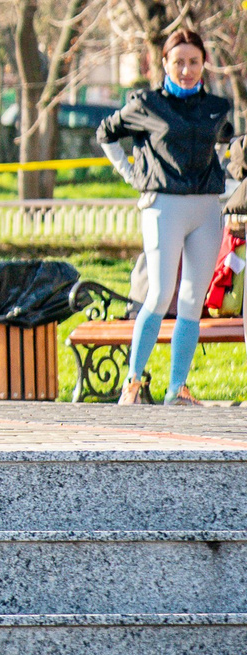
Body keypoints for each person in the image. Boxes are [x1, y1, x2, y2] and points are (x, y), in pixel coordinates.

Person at [97, 27, 239, 405]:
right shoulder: (147, 104)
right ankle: (132, 382)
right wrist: (130, 173)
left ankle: (177, 388)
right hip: (164, 205)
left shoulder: (216, 106)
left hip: (207, 207)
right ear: (164, 63)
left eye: (194, 62)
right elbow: (106, 133)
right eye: (178, 62)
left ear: (204, 65)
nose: (186, 70)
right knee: (159, 294)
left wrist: (224, 172)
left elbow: (225, 141)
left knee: (193, 300)